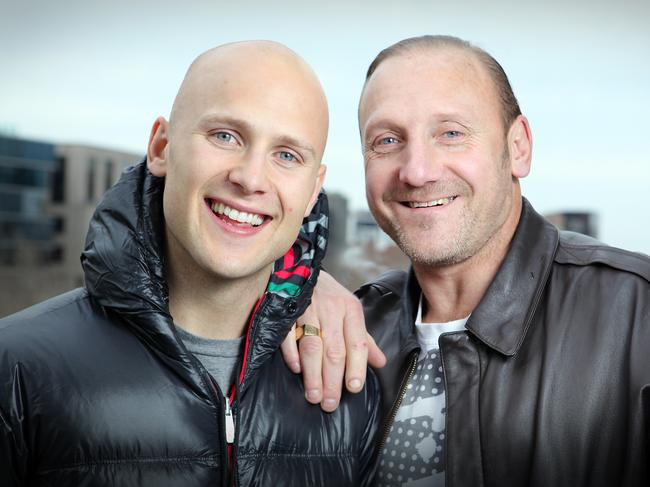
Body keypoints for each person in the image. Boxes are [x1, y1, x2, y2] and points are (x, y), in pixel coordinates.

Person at [0, 41, 380, 486]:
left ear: (314, 188)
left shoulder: (354, 388)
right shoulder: (16, 369)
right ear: (161, 147)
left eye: (287, 155)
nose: (251, 178)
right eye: (225, 136)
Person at [283, 35, 650, 486]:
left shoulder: (637, 314)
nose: (417, 171)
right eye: (387, 140)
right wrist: (294, 288)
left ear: (518, 147)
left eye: (451, 133)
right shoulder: (347, 327)